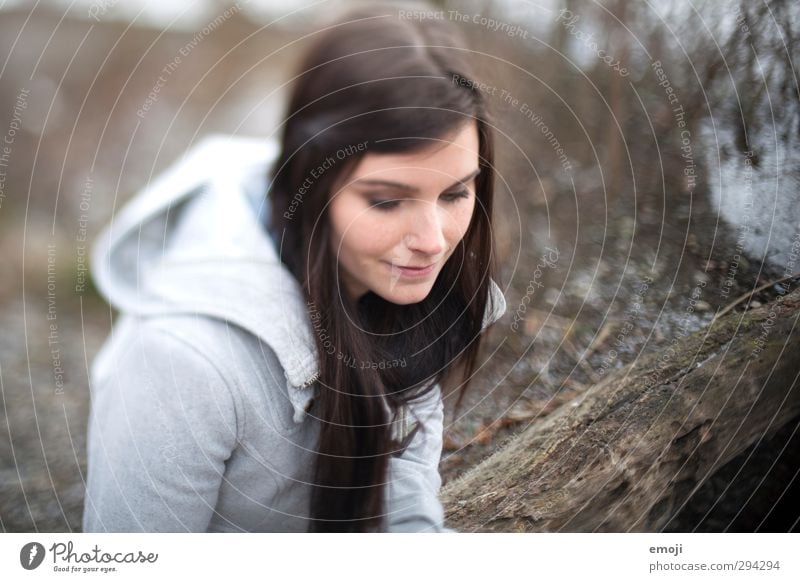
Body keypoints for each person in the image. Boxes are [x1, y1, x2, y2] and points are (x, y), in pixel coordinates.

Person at [82, 3, 506, 533]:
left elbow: (400, 498)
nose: (433, 241)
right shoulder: (183, 360)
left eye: (454, 193)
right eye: (386, 201)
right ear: (310, 183)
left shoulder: (399, 293)